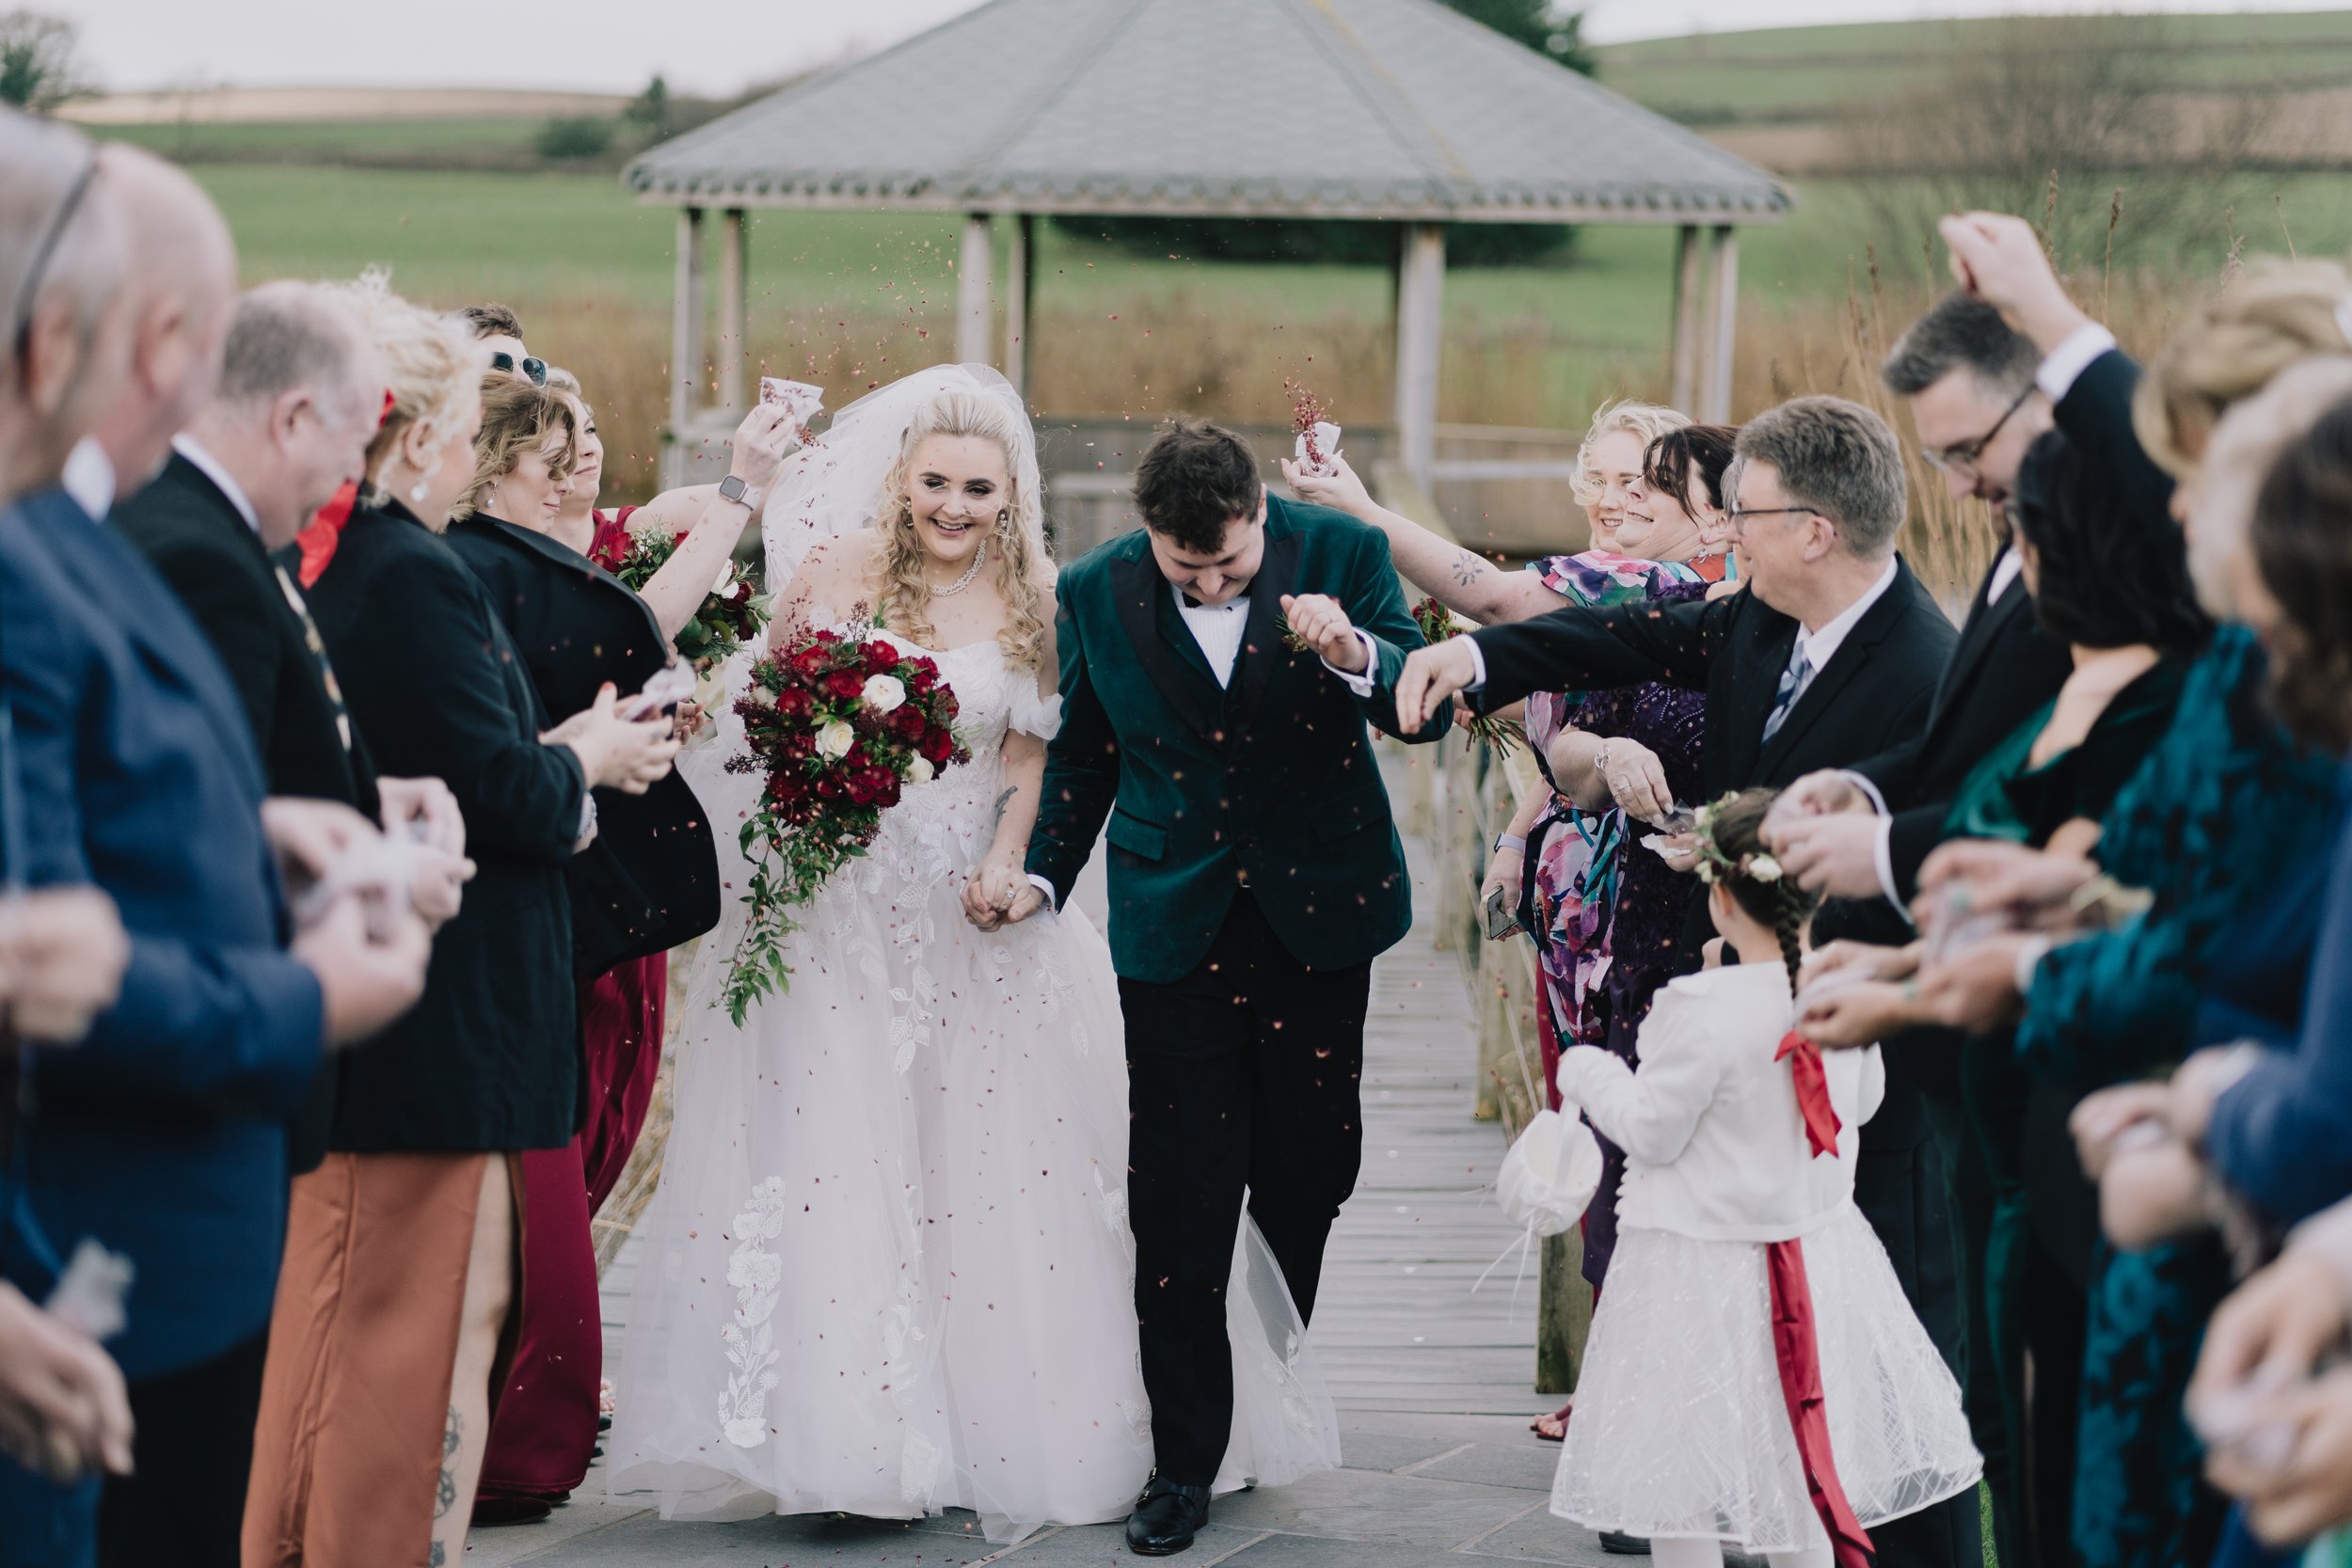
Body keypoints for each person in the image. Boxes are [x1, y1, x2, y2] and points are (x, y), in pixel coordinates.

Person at [612, 373, 1346, 1549]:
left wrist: (1012, 862)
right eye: (937, 482)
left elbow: (1032, 755)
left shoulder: (1043, 598)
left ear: (1012, 496)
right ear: (904, 479)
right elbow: (763, 706)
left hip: (973, 904)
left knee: (995, 1159)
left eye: (978, 488)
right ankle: (848, 1435)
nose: (954, 505)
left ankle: (1008, 1422)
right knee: (843, 1153)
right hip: (841, 902)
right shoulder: (837, 569)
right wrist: (806, 777)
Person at [1397, 395, 1979, 1568]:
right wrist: (1477, 652)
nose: (1724, 528)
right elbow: (1613, 641)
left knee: (1895, 1364)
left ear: (1813, 529)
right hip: (1742, 1034)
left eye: (1744, 512)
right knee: (1776, 1356)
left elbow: (1943, 870)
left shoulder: (1928, 668)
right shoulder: (1759, 615)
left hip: (1874, 1071)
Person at [1, 138, 437, 1568]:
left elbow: (92, 802)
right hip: (95, 1260)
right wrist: (310, 998)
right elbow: (53, 956)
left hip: (171, 1247)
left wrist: (250, 836)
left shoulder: (73, 529)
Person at [242, 278, 679, 1568]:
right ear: (421, 433)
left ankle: (289, 1538)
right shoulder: (410, 575)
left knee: (339, 1317)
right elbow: (499, 791)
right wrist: (589, 755)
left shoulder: (309, 560)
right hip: (448, 1001)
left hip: (365, 993)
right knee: (421, 1336)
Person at [997, 412, 1447, 1554]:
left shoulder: (1340, 552)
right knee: (1181, 1198)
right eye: (1183, 564)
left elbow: (1420, 699)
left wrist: (1353, 653)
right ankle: (1182, 1461)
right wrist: (1041, 879)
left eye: (1228, 562)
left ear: (1260, 517)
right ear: (1149, 533)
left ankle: (1266, 1346)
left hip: (1320, 910)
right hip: (1170, 923)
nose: (1205, 579)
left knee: (1311, 1165)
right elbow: (1088, 753)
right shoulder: (1097, 587)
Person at [443, 374, 740, 1523]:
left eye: (582, 445)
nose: (576, 466)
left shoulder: (499, 565)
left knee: (542, 1161)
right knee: (532, 1167)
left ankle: (523, 1422)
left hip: (554, 899)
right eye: (551, 449)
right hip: (523, 903)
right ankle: (523, 1428)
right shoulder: (485, 576)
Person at [1551, 788, 1979, 1568]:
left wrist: (1586, 1071)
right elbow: (1867, 1101)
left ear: (1719, 896)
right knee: (1803, 1467)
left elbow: (1651, 1126)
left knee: (1677, 1482)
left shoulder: (1699, 1007)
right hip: (1815, 1261)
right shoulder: (1842, 989)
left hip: (1695, 1267)